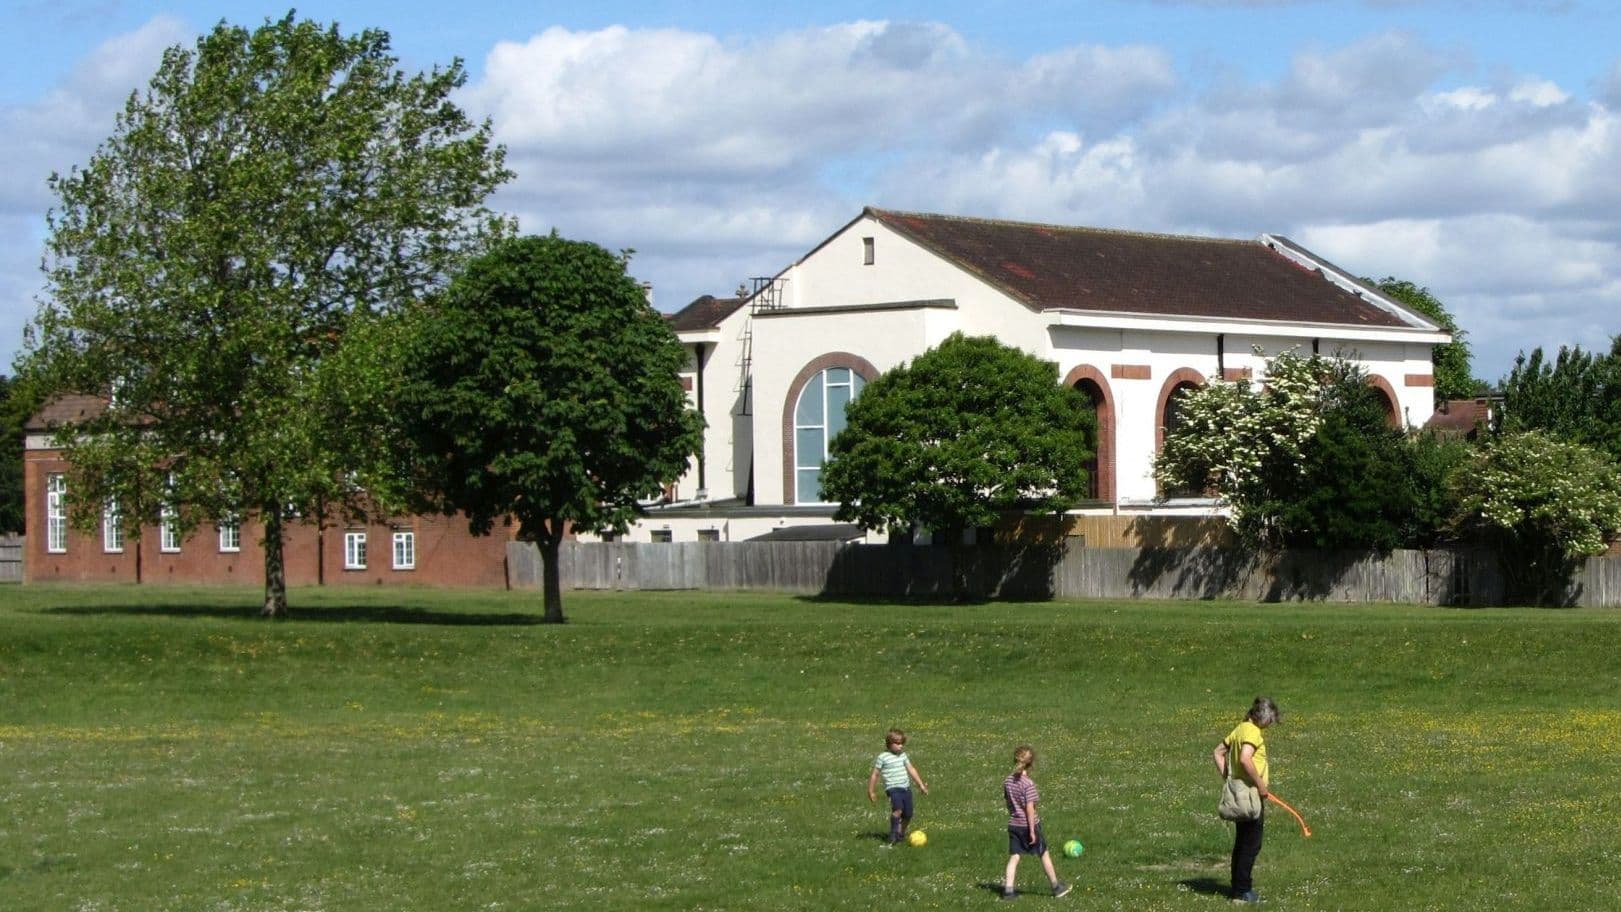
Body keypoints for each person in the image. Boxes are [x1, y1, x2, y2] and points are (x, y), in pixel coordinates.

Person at [1212, 697, 1281, 904]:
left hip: (1239, 795)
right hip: (1250, 796)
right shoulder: (1252, 732)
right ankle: (1242, 892)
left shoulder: (1240, 728)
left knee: (1242, 843)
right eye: (1271, 720)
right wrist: (1260, 785)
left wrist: (1229, 777)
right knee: (1251, 844)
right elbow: (1244, 758)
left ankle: (1238, 888)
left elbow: (1218, 752)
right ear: (1263, 716)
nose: (1270, 725)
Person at [1001, 745, 1072, 900]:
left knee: (1014, 856)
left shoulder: (1007, 781)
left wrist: (1014, 815)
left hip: (1014, 824)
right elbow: (1030, 809)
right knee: (1043, 853)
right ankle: (1056, 887)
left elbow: (1008, 802)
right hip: (1028, 825)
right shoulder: (1028, 784)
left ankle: (1008, 891)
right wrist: (1032, 830)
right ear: (1031, 763)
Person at [867, 728, 929, 845]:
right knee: (898, 810)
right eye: (898, 743)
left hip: (905, 788)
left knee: (908, 814)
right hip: (893, 789)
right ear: (889, 743)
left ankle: (900, 834)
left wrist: (920, 785)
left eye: (902, 744)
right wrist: (871, 791)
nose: (901, 746)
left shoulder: (903, 755)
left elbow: (911, 769)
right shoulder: (883, 757)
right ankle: (893, 835)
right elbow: (875, 774)